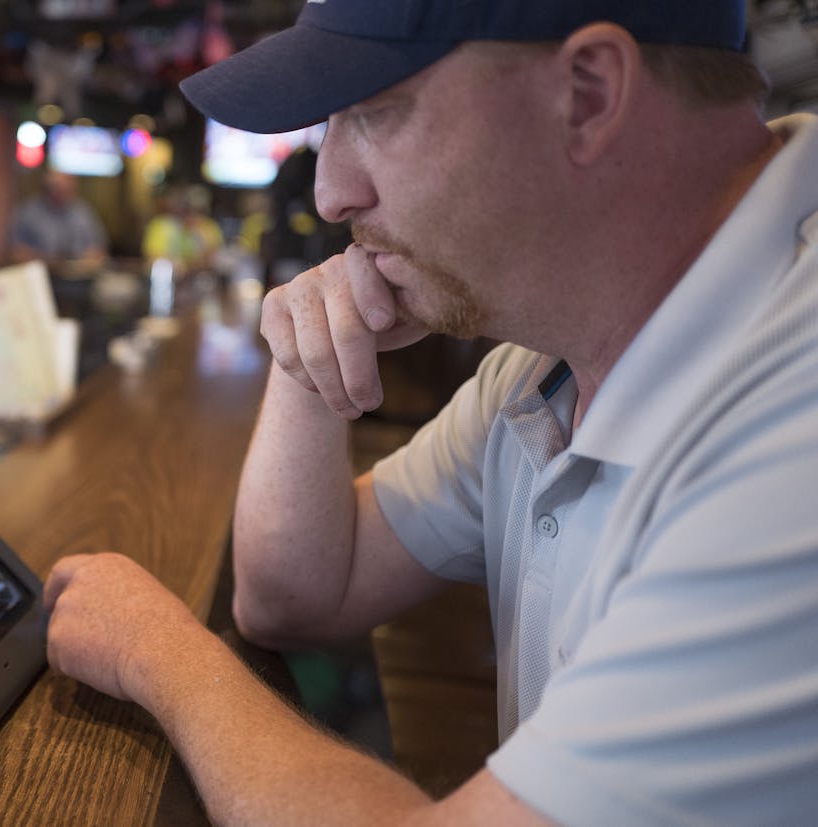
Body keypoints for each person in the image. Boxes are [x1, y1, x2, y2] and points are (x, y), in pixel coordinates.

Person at [43, 1, 818, 825]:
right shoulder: (546, 363)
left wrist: (158, 654)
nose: (330, 193)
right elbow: (295, 595)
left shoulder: (790, 431)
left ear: (588, 94)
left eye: (375, 109)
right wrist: (309, 359)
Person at [10, 168, 108, 270]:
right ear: (48, 189)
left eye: (68, 189)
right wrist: (46, 260)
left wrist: (88, 258)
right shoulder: (29, 213)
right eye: (58, 189)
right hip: (38, 276)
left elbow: (99, 251)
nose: (63, 194)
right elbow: (16, 252)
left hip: (77, 278)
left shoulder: (83, 213)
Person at [140, 184, 223, 275]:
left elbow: (214, 258)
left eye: (190, 208)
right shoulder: (160, 226)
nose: (185, 213)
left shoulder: (207, 226)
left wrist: (197, 233)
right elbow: (152, 258)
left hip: (200, 278)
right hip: (168, 277)